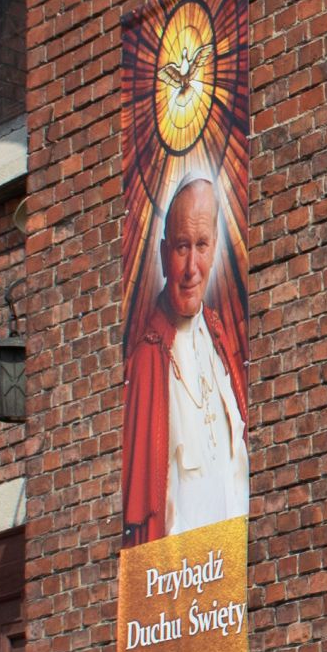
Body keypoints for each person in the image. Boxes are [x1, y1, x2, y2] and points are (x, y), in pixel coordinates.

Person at [119, 169, 250, 544]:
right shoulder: (148, 359)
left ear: (215, 248)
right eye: (181, 247)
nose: (192, 268)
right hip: (183, 568)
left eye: (202, 246)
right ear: (164, 255)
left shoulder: (219, 337)